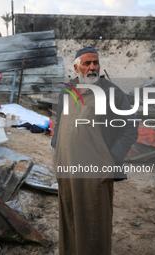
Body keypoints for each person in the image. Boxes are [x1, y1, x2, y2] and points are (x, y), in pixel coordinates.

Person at [51, 46, 138, 255]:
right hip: (67, 168)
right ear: (76, 67)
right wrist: (57, 149)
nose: (92, 67)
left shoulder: (111, 92)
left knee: (93, 222)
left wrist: (111, 159)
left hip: (95, 172)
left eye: (95, 63)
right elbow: (60, 121)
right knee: (70, 216)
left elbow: (130, 127)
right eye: (87, 63)